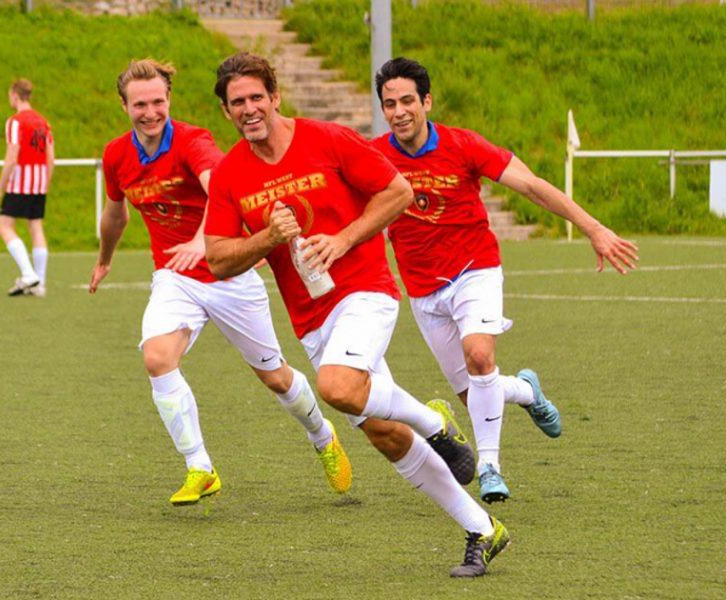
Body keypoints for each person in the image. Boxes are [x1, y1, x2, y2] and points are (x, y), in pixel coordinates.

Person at [205, 51, 508, 578]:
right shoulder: (231, 173)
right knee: (383, 433)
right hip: (311, 318)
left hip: (366, 291)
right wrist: (265, 239)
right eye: (237, 103)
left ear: (275, 98)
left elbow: (399, 191)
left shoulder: (328, 139)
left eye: (257, 97)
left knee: (338, 386)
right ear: (227, 112)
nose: (249, 109)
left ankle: (436, 422)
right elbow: (216, 258)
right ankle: (483, 529)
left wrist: (343, 240)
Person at [372, 57, 640, 503]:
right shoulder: (376, 156)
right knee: (475, 394)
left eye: (406, 101)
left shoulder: (464, 145)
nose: (398, 111)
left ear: (426, 102)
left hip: (474, 269)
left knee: (479, 356)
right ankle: (526, 390)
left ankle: (490, 467)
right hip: (422, 289)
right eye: (389, 104)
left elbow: (532, 186)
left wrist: (594, 228)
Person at [88, 58, 351, 507]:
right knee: (157, 358)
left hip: (230, 274)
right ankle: (200, 468)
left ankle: (322, 435)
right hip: (175, 278)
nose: (149, 112)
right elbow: (116, 212)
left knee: (274, 377)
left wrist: (199, 241)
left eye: (157, 102)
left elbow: (220, 187)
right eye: (139, 105)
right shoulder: (117, 155)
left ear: (168, 100)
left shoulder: (193, 142)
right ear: (124, 106)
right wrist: (104, 260)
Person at [0, 79, 54, 297]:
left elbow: (12, 155)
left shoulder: (15, 122)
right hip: (39, 183)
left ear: (15, 95)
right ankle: (40, 283)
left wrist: (0, 188)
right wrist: (46, 182)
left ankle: (28, 274)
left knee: (4, 226)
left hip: (20, 182)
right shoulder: (43, 122)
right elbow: (50, 156)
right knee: (36, 227)